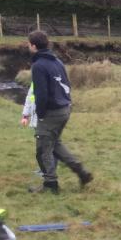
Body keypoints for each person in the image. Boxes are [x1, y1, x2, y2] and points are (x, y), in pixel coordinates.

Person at [27, 31, 92, 194]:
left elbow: (41, 94)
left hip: (51, 112)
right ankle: (82, 173)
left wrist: (40, 114)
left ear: (34, 46)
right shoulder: (57, 61)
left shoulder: (38, 66)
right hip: (64, 109)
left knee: (42, 149)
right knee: (55, 144)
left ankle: (50, 184)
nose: (27, 46)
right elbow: (67, 85)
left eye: (28, 44)